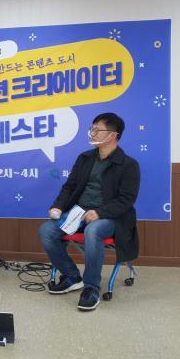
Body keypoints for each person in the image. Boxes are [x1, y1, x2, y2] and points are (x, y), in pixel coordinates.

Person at [38, 112, 140, 311]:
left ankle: (91, 287)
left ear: (113, 135)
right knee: (46, 231)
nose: (92, 133)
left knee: (92, 231)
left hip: (111, 217)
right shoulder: (85, 158)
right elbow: (69, 186)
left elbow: (126, 200)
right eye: (92, 129)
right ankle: (72, 276)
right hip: (78, 212)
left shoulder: (128, 165)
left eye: (97, 129)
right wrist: (58, 206)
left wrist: (100, 212)